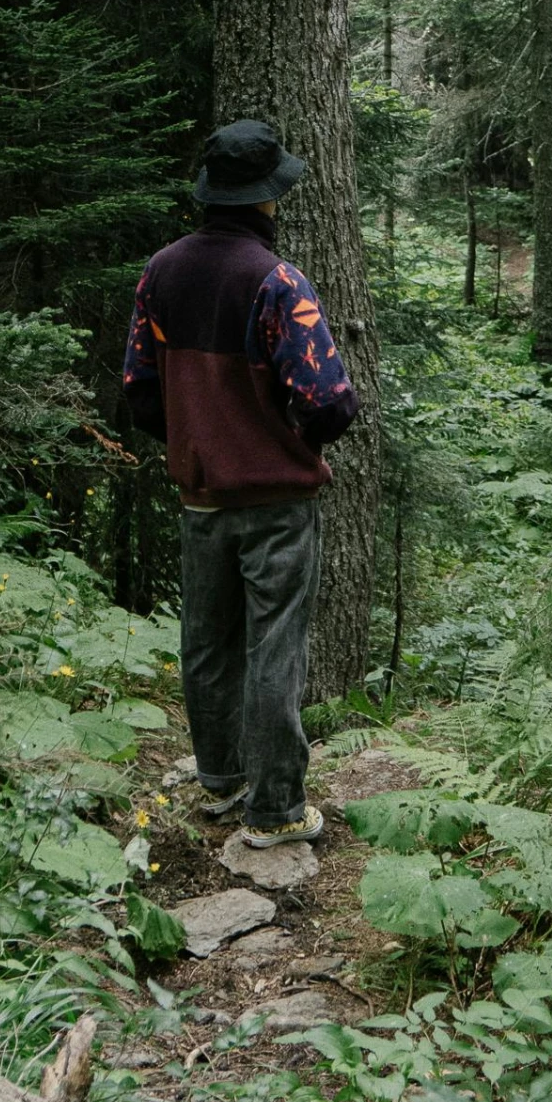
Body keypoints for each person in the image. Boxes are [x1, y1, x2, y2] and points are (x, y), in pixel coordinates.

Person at [122, 119, 360, 848]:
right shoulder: (277, 281)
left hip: (201, 496)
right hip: (275, 500)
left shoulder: (159, 271)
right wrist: (285, 440)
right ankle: (278, 809)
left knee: (207, 642)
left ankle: (219, 779)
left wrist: (198, 443)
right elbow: (329, 401)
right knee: (275, 649)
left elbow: (138, 391)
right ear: (267, 199)